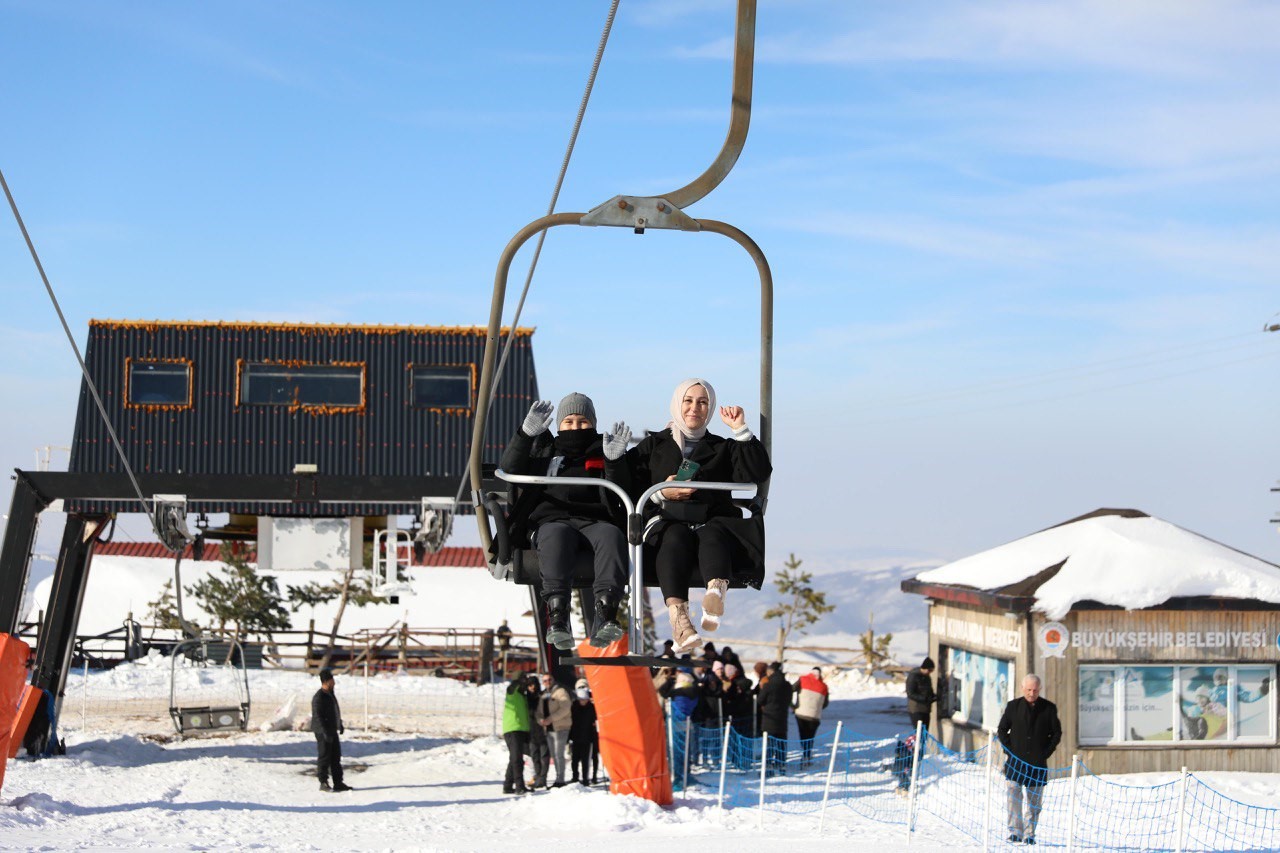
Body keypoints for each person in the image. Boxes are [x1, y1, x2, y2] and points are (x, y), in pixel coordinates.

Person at [622, 378, 772, 651]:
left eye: (703, 402)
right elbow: (627, 486)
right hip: (665, 521)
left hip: (710, 519)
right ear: (677, 404)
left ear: (710, 408)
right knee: (675, 536)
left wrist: (740, 430)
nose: (695, 408)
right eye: (688, 401)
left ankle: (715, 591)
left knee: (713, 533)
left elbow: (757, 473)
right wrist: (661, 493)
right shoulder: (653, 446)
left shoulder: (722, 447)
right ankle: (680, 620)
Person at [501, 393, 632, 649]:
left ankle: (606, 612)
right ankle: (558, 614)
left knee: (611, 536)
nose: (576, 427)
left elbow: (622, 489)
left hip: (595, 520)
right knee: (555, 537)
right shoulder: (545, 449)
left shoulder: (602, 448)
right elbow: (510, 470)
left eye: (583, 421)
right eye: (569, 422)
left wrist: (615, 462)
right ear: (559, 425)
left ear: (593, 423)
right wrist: (525, 436)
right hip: (551, 520)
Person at [997, 674, 1062, 845]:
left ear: (1039, 689)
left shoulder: (1049, 708)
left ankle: (1029, 834)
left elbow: (1056, 733)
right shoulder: (1013, 707)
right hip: (1015, 764)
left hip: (1037, 765)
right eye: (1028, 690)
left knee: (1034, 804)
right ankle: (1015, 832)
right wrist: (1010, 751)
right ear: (1022, 688)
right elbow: (1002, 730)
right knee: (1013, 799)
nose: (1031, 693)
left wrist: (1045, 752)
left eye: (1035, 690)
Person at [311, 668, 351, 792]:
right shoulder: (319, 697)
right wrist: (324, 732)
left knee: (336, 757)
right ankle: (323, 782)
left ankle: (338, 782)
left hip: (332, 730)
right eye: (332, 680)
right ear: (327, 682)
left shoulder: (330, 694)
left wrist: (339, 724)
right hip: (323, 732)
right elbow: (318, 716)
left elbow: (334, 712)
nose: (334, 683)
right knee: (324, 757)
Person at [757, 661, 793, 776]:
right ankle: (781, 767)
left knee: (769, 745)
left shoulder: (768, 685)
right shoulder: (787, 685)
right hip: (782, 718)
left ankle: (768, 769)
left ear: (771, 671)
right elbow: (789, 700)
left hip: (769, 719)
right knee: (781, 744)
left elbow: (760, 700)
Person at [538, 673, 574, 786]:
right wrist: (541, 720)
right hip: (548, 729)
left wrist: (551, 719)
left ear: (553, 680)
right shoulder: (543, 695)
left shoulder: (561, 692)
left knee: (559, 754)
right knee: (553, 755)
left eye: (549, 679)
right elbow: (538, 712)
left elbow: (566, 708)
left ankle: (560, 779)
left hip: (561, 727)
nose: (547, 682)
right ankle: (558, 776)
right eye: (544, 680)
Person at [793, 667, 830, 766]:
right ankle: (807, 755)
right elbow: (825, 704)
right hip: (814, 716)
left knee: (803, 735)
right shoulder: (824, 687)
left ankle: (805, 754)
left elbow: (791, 689)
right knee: (810, 737)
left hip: (800, 713)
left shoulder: (802, 680)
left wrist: (794, 705)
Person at [502, 674, 531, 794]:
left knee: (514, 758)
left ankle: (508, 786)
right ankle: (519, 786)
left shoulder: (522, 696)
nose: (525, 684)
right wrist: (519, 681)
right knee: (517, 759)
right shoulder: (512, 692)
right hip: (513, 729)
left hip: (522, 730)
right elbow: (511, 687)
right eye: (524, 681)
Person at [569, 685, 599, 785]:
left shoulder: (592, 708)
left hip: (588, 737)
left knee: (586, 760)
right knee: (575, 759)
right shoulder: (574, 707)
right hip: (576, 736)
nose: (583, 702)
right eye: (581, 700)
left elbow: (596, 721)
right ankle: (575, 777)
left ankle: (585, 778)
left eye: (584, 700)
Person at [524, 674, 549, 789]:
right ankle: (538, 777)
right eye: (529, 685)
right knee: (534, 757)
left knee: (544, 757)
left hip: (543, 730)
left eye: (534, 684)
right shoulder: (525, 698)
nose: (532, 687)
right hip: (531, 732)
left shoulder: (542, 696)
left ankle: (542, 779)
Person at [906, 657, 938, 733]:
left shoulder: (927, 677)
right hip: (916, 709)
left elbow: (929, 690)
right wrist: (924, 699)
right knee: (918, 733)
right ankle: (912, 744)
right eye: (929, 670)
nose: (930, 673)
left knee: (924, 734)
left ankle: (922, 745)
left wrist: (933, 697)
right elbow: (910, 693)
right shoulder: (913, 676)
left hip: (926, 709)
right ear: (924, 668)